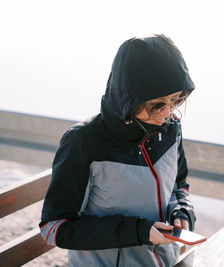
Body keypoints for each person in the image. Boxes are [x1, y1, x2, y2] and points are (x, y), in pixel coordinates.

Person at [39, 34, 196, 267]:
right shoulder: (83, 142)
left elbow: (179, 186)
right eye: (158, 104)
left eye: (176, 100)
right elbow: (55, 228)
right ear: (130, 99)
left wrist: (182, 212)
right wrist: (138, 231)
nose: (168, 113)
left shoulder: (170, 129)